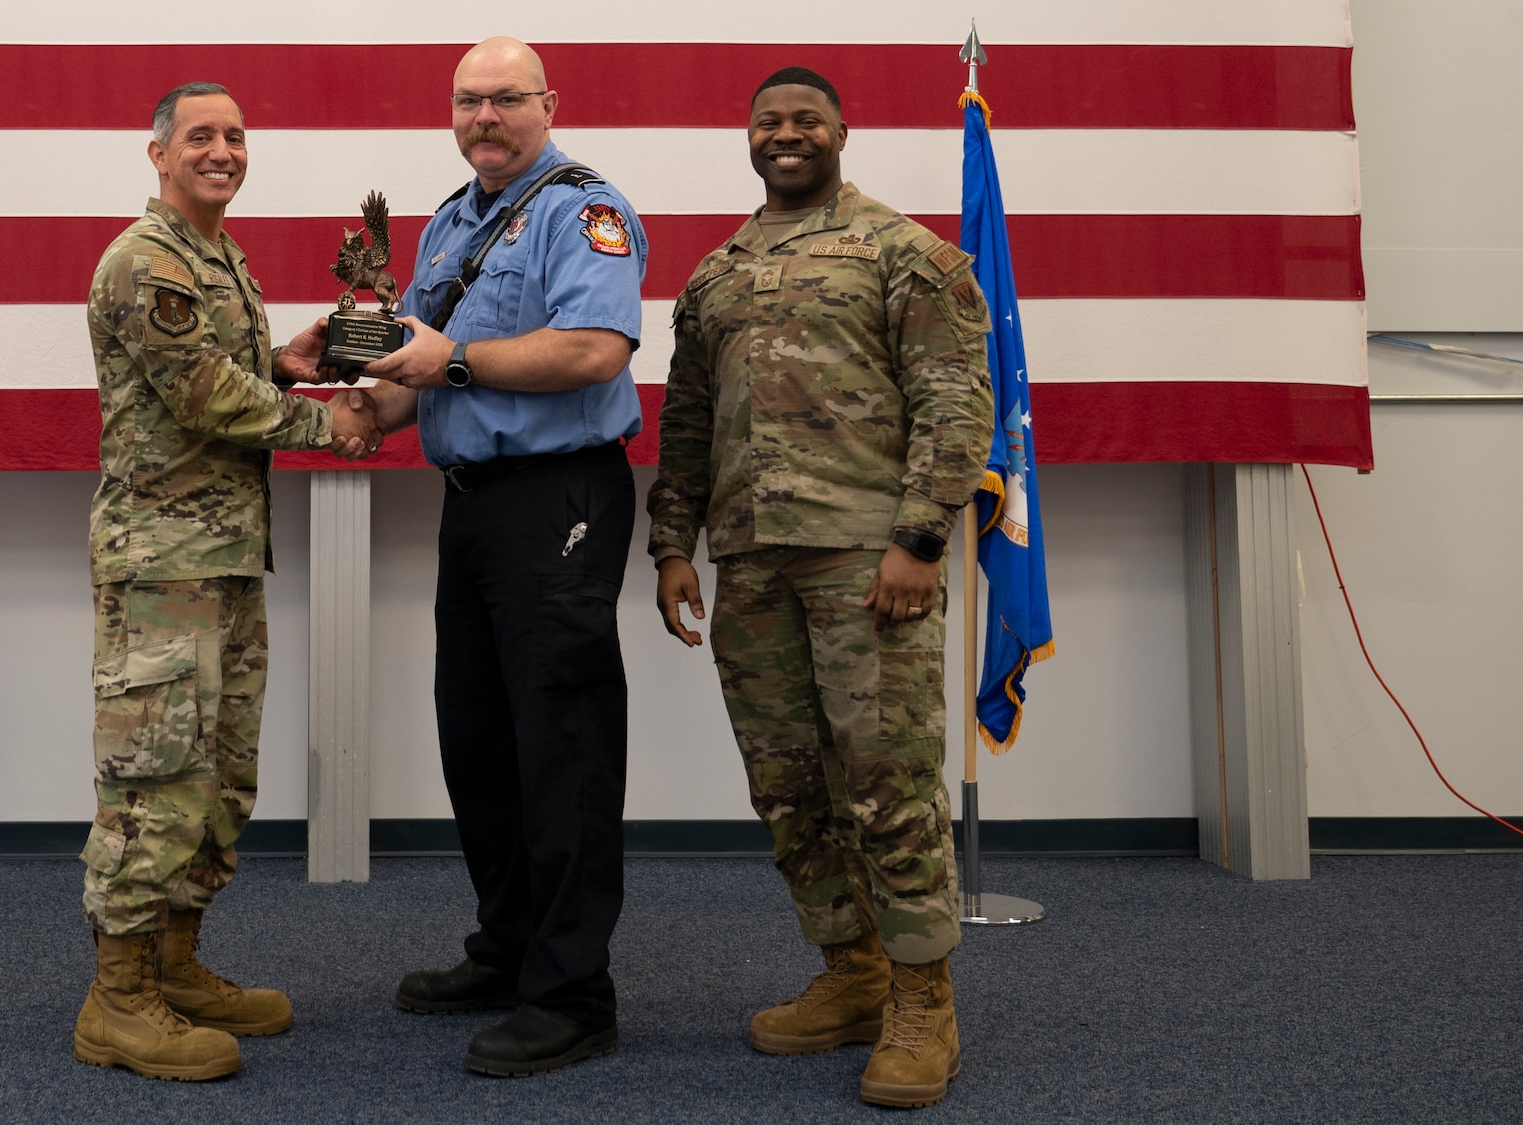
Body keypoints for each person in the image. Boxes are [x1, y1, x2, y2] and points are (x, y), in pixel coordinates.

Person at [647, 68, 994, 1109]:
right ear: (748, 136)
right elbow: (687, 419)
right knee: (789, 784)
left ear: (842, 132)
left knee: (888, 782)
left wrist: (920, 539)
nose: (785, 134)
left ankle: (924, 1002)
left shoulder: (903, 252)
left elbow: (952, 398)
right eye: (768, 121)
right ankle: (852, 971)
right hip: (749, 560)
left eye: (805, 120)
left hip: (865, 559)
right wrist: (671, 544)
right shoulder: (715, 275)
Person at [75, 80, 379, 1082]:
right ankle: (117, 1001)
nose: (222, 150)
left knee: (218, 779)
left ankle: (175, 966)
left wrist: (284, 366)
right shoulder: (147, 260)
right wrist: (324, 420)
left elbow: (223, 376)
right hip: (163, 566)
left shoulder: (217, 258)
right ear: (158, 153)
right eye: (200, 135)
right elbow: (202, 394)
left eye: (235, 135)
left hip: (225, 559)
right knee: (155, 779)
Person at [357, 36, 646, 1078]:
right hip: (472, 504)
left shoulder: (585, 211)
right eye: (468, 101)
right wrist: (354, 404)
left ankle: (572, 995)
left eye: (506, 99)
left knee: (562, 743)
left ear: (547, 105)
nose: (485, 116)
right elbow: (419, 370)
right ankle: (509, 947)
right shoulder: (450, 222)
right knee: (477, 740)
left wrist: (452, 363)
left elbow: (593, 350)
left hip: (559, 497)